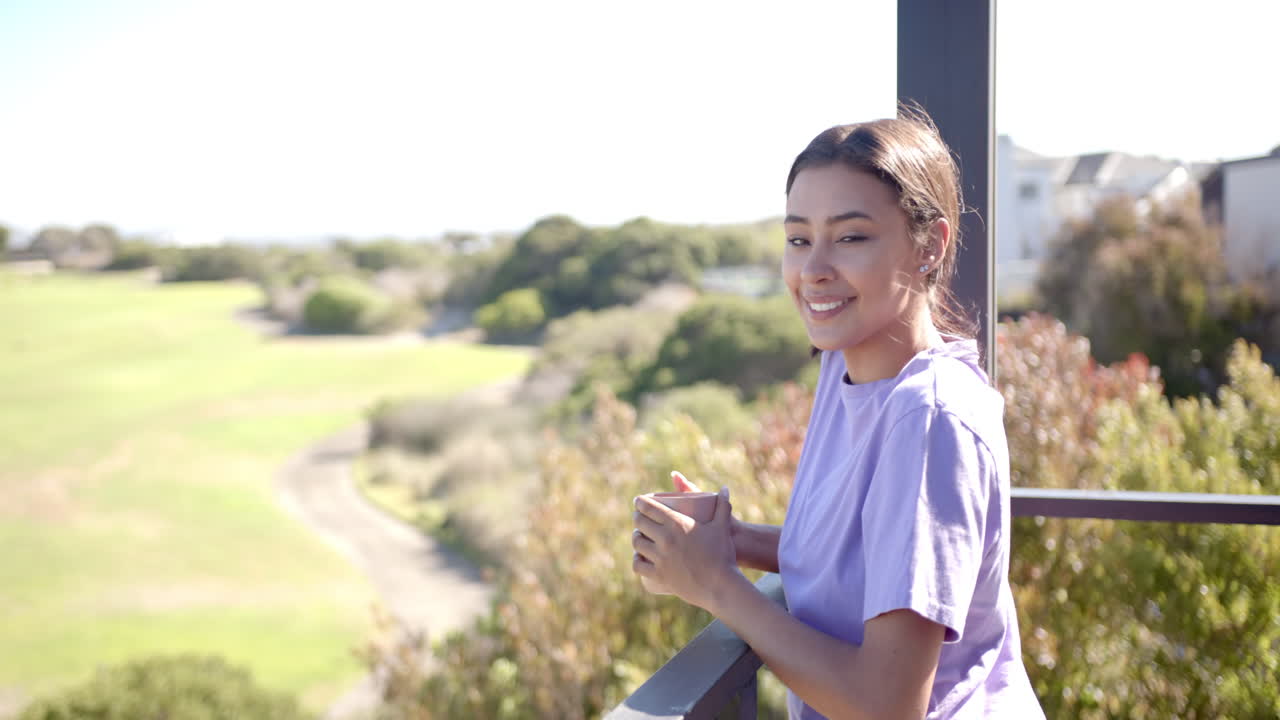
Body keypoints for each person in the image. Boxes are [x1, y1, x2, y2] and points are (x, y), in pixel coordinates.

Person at [631, 110, 1045, 719]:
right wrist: (730, 542)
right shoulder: (845, 369)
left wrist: (717, 586)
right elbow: (870, 557)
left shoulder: (928, 419)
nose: (814, 269)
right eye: (799, 239)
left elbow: (887, 706)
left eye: (850, 237)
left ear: (930, 244)